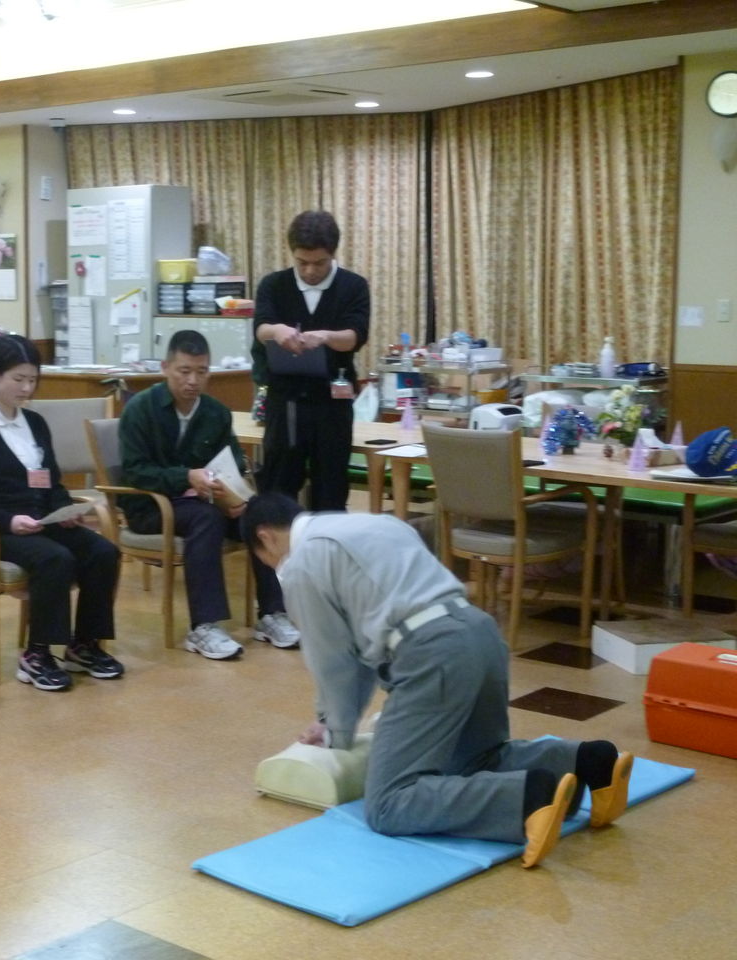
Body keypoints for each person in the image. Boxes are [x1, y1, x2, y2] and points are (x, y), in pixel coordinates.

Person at [241, 493, 634, 868]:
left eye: (265, 560)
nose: (274, 568)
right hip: (480, 633)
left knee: (389, 803)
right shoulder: (374, 524)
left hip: (431, 652)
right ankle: (586, 762)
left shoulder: (303, 563)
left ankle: (526, 799)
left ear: (265, 536)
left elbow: (334, 659)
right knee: (475, 760)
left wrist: (334, 732)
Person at [0, 334, 122, 692]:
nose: (26, 389)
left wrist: (63, 509)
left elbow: (52, 481)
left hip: (40, 522)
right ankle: (37, 653)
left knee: (103, 551)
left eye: (32, 380)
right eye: (18, 379)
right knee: (54, 558)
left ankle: (84, 645)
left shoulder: (35, 423)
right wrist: (9, 521)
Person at [118, 329, 298, 660]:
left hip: (205, 499)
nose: (193, 381)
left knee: (260, 515)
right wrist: (186, 477)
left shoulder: (216, 412)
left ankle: (273, 613)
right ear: (165, 368)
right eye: (184, 371)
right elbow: (135, 471)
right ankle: (204, 626)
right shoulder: (140, 409)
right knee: (206, 518)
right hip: (151, 506)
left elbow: (232, 463)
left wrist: (233, 495)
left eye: (201, 372)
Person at [251, 210, 369, 512]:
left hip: (332, 404)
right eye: (302, 262)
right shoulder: (273, 285)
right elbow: (261, 328)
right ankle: (278, 542)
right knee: (279, 486)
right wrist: (277, 331)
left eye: (319, 263)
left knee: (330, 488)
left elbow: (355, 335)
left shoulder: (353, 286)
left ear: (333, 254)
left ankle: (325, 542)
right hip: (286, 402)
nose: (310, 271)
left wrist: (325, 336)